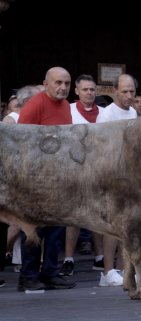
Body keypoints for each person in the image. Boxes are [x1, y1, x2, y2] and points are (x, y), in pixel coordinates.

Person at [16, 66, 76, 291]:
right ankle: (28, 275)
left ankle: (50, 272)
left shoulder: (65, 107)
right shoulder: (35, 105)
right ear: (46, 83)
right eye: (58, 83)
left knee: (56, 228)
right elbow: (20, 143)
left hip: (59, 178)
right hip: (36, 179)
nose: (63, 87)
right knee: (34, 229)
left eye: (66, 84)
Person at [95, 74, 138, 287]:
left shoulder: (133, 112)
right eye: (125, 91)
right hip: (112, 174)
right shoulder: (106, 114)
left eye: (132, 91)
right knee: (113, 225)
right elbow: (101, 147)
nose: (129, 96)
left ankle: (122, 269)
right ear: (115, 91)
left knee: (127, 226)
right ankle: (107, 271)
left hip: (130, 175)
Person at [60, 74, 105, 277]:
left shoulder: (104, 113)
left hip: (98, 171)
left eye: (92, 89)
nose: (89, 93)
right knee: (74, 217)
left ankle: (100, 257)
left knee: (97, 216)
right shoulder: (67, 110)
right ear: (77, 91)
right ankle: (69, 258)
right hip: (74, 171)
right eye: (85, 89)